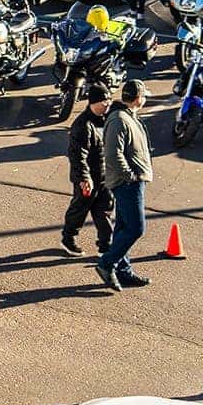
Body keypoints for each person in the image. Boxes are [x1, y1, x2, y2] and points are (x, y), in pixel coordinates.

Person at [95, 79, 153, 292]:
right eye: (144, 96)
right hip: (127, 183)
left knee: (122, 227)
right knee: (136, 228)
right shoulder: (120, 119)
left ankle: (123, 270)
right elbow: (113, 153)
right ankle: (106, 263)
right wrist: (130, 176)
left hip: (132, 181)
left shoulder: (128, 116)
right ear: (138, 98)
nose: (145, 99)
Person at [60, 84, 116, 258]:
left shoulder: (106, 119)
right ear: (93, 102)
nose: (107, 104)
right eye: (103, 101)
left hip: (105, 176)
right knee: (80, 208)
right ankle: (69, 238)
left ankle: (105, 245)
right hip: (88, 177)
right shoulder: (83, 125)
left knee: (105, 209)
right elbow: (77, 154)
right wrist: (84, 178)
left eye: (109, 100)